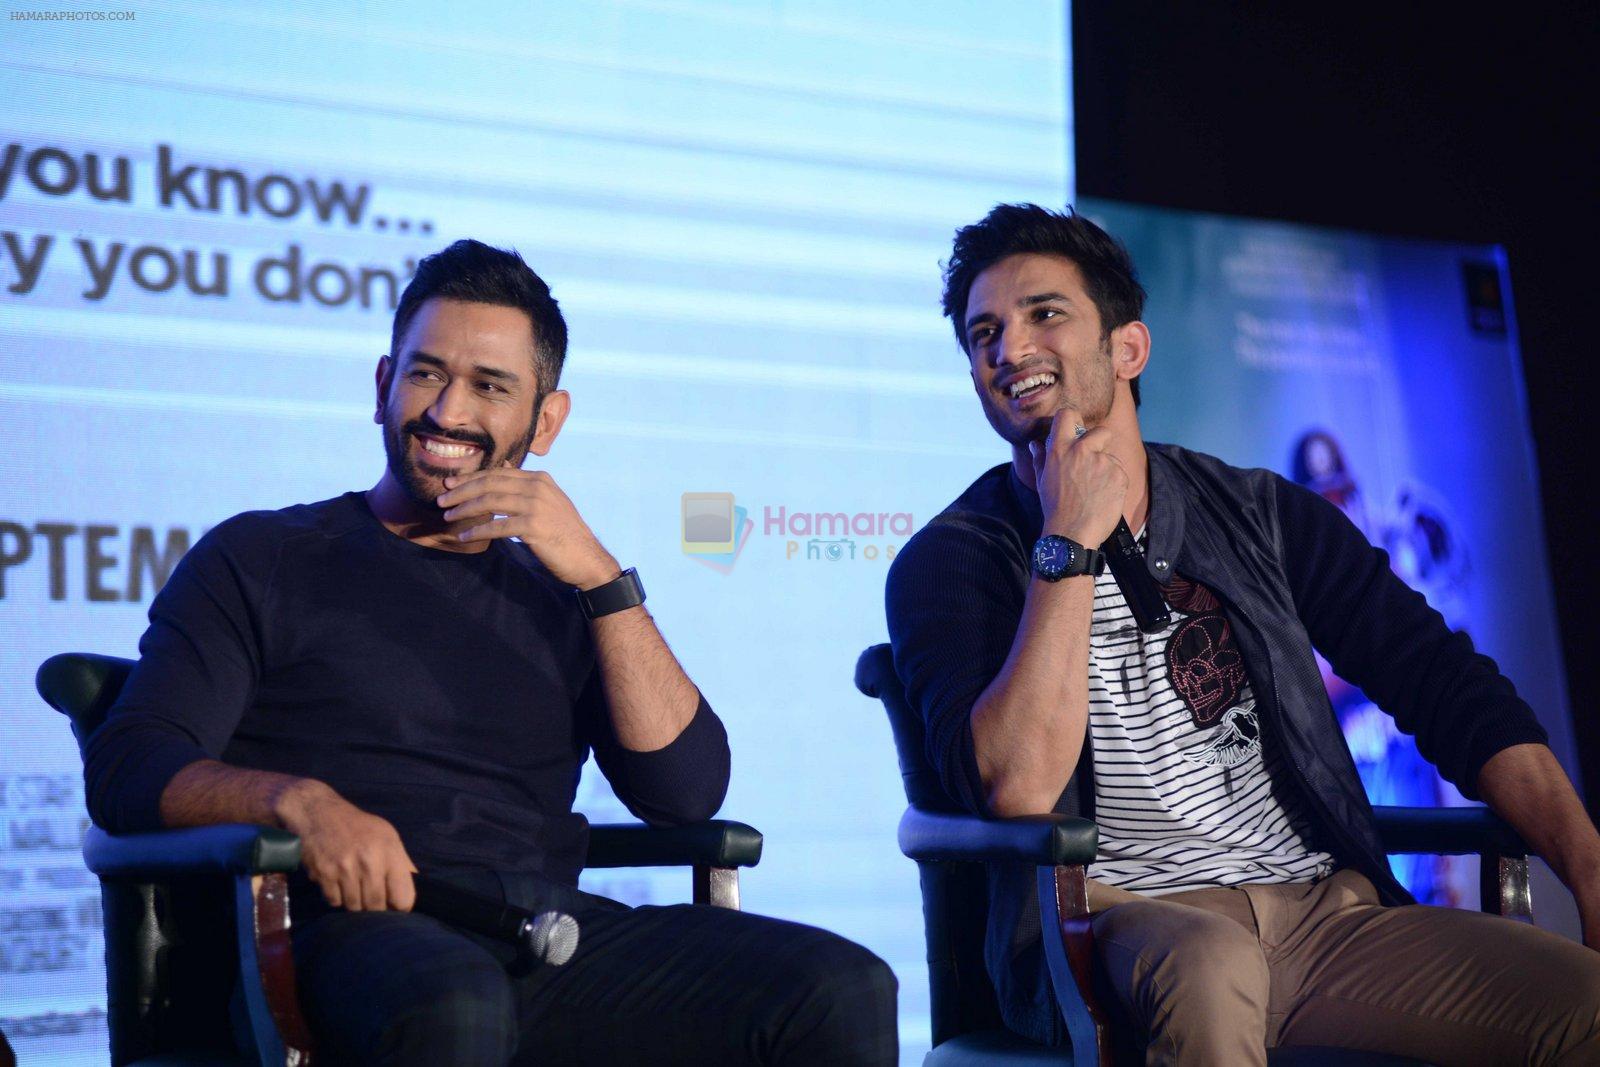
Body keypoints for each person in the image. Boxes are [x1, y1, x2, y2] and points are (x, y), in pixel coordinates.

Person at [83, 239, 897, 1066]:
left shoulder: (564, 593)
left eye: (490, 386)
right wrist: (301, 803)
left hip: (544, 934)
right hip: (350, 935)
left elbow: (686, 794)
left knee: (841, 987)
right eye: (426, 373)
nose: (445, 412)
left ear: (546, 421)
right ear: (381, 386)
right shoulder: (261, 556)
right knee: (458, 1004)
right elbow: (128, 765)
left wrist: (602, 579)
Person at [885, 203, 1600, 1065]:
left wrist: (1585, 859)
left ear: (1127, 349)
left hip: (1325, 916)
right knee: (1209, 958)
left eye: (1045, 313)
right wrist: (1066, 541)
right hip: (1110, 927)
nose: (1008, 348)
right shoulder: (948, 562)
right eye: (984, 333)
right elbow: (1018, 786)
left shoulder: (1260, 513)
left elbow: (1441, 680)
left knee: (1581, 1005)